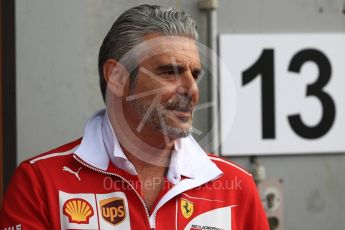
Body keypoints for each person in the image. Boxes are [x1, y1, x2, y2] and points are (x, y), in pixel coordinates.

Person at [0, 4, 269, 230]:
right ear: (117, 77)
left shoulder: (236, 187)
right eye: (170, 72)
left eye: (194, 74)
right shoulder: (39, 182)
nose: (192, 90)